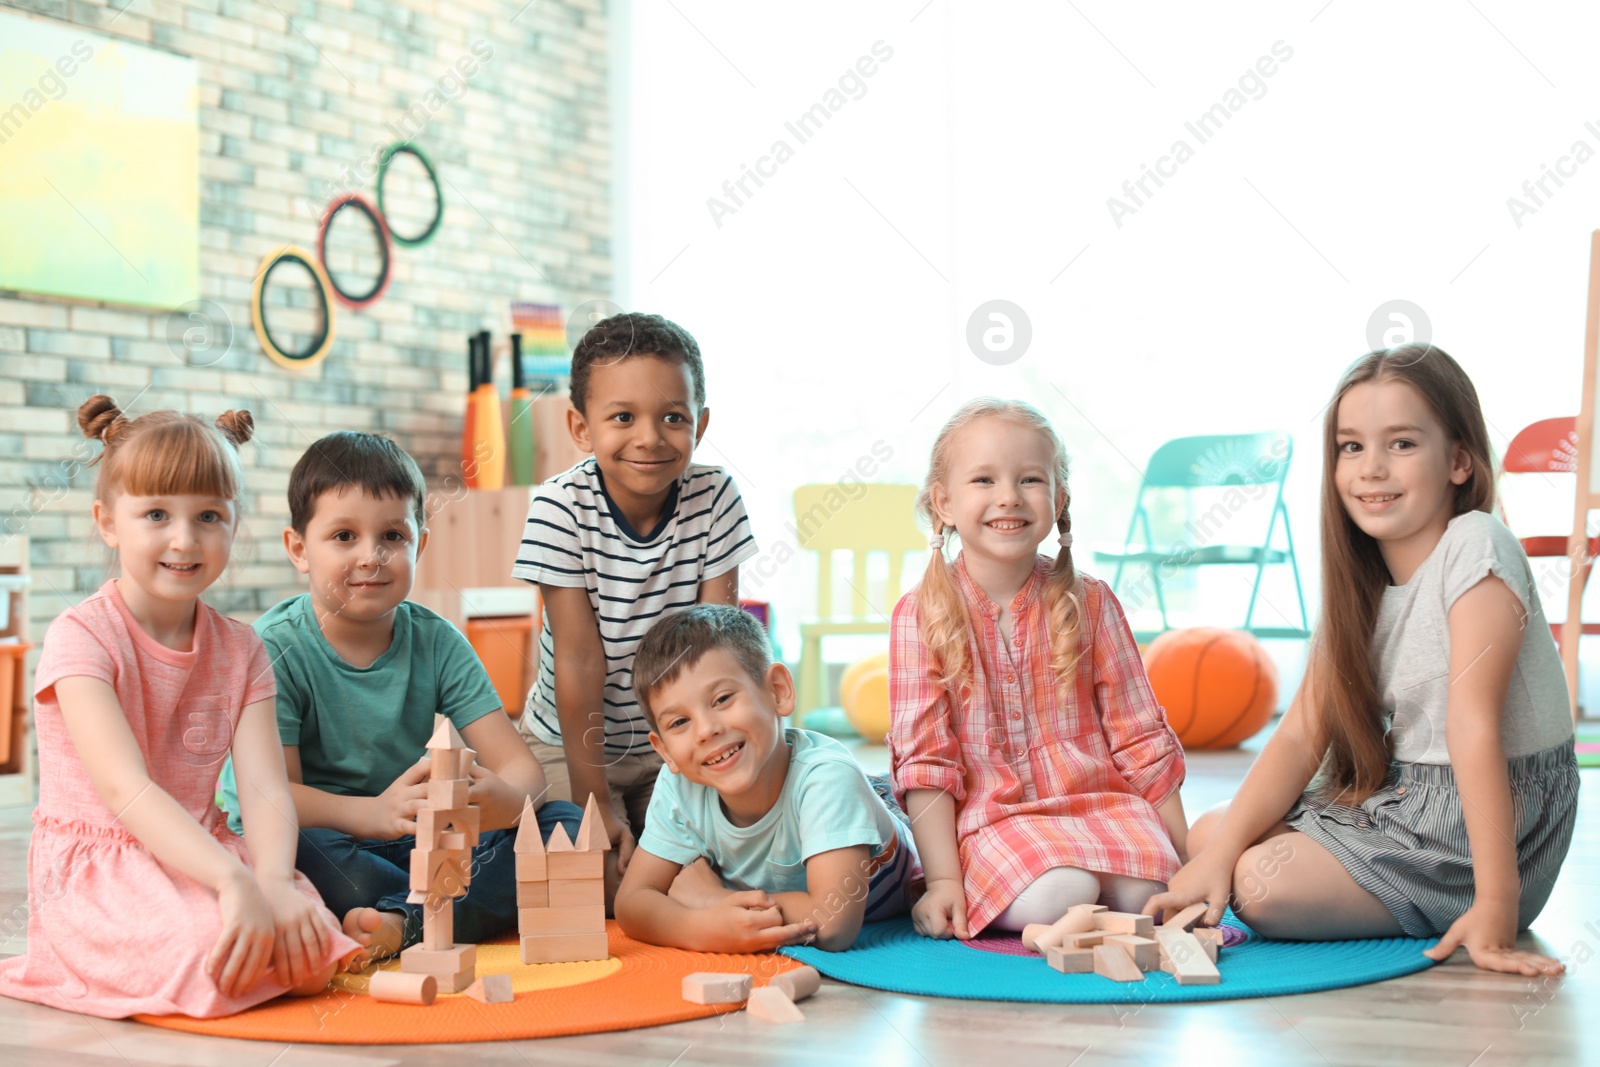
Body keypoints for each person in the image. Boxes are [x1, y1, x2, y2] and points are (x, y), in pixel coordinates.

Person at [1145, 345, 1579, 977]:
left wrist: (1498, 903)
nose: (1371, 469)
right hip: (1405, 802)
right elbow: (1299, 733)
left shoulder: (1478, 545)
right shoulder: (1363, 583)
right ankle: (1284, 871)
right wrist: (1217, 857)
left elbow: (1473, 726)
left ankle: (1460, 898)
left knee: (1263, 885)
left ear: (1459, 460)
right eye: (1351, 447)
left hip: (1489, 826)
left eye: (1401, 443)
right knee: (1213, 838)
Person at [0, 396, 356, 1018]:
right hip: (104, 868)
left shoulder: (243, 647)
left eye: (209, 516)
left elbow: (266, 788)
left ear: (234, 524)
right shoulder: (81, 636)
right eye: (157, 514)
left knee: (305, 945)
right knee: (215, 953)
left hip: (205, 849)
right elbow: (125, 790)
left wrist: (269, 880)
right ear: (108, 521)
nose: (184, 540)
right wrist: (230, 882)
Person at [218, 431, 582, 963]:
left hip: (419, 838)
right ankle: (439, 908)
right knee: (309, 855)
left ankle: (402, 920)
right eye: (344, 536)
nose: (372, 556)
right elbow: (273, 798)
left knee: (565, 827)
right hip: (327, 837)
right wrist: (374, 812)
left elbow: (524, 773)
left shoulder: (437, 641)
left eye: (392, 535)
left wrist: (498, 805)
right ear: (299, 549)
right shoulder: (273, 648)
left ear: (421, 544)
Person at [891, 398, 1188, 939]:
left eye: (1030, 479)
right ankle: (1072, 902)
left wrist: (1185, 858)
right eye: (983, 479)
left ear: (1059, 499)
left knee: (1153, 894)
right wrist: (941, 882)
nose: (1008, 497)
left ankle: (1107, 900)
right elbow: (926, 761)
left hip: (1101, 807)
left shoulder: (1093, 602)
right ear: (944, 503)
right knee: (1061, 892)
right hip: (997, 822)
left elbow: (1140, 736)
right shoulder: (919, 615)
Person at [512, 312, 757, 874]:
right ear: (580, 427)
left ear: (699, 425)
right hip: (569, 744)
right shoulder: (559, 507)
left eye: (673, 417)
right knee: (593, 881)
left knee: (723, 864)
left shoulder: (714, 496)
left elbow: (719, 649)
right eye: (622, 417)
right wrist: (593, 799)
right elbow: (577, 660)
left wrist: (692, 758)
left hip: (676, 743)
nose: (649, 437)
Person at [614, 604, 920, 951]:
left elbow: (833, 924)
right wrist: (700, 926)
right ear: (664, 750)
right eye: (679, 723)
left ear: (777, 690)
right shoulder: (681, 786)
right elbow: (631, 902)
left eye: (722, 698)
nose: (706, 730)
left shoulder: (826, 778)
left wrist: (713, 897)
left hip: (889, 834)